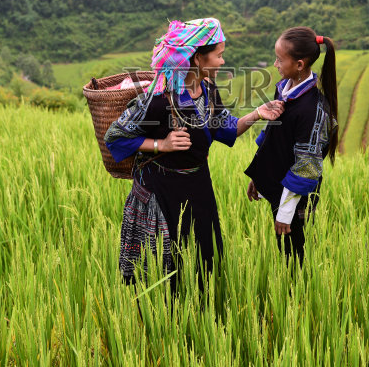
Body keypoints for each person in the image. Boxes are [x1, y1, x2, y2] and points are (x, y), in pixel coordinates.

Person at [104, 18, 284, 288]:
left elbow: (227, 129)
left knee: (204, 260)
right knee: (164, 268)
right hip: (161, 192)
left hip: (198, 187)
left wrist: (258, 113)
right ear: (198, 58)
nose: (223, 62)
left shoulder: (209, 92)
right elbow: (115, 136)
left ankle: (199, 318)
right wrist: (160, 144)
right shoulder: (158, 99)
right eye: (219, 55)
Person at [244, 27, 338, 265]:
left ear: (299, 64)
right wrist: (259, 175)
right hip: (278, 185)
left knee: (295, 257)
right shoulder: (283, 88)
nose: (275, 64)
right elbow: (273, 136)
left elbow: (306, 166)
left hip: (296, 197)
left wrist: (285, 213)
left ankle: (299, 299)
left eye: (279, 59)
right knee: (284, 250)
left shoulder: (313, 110)